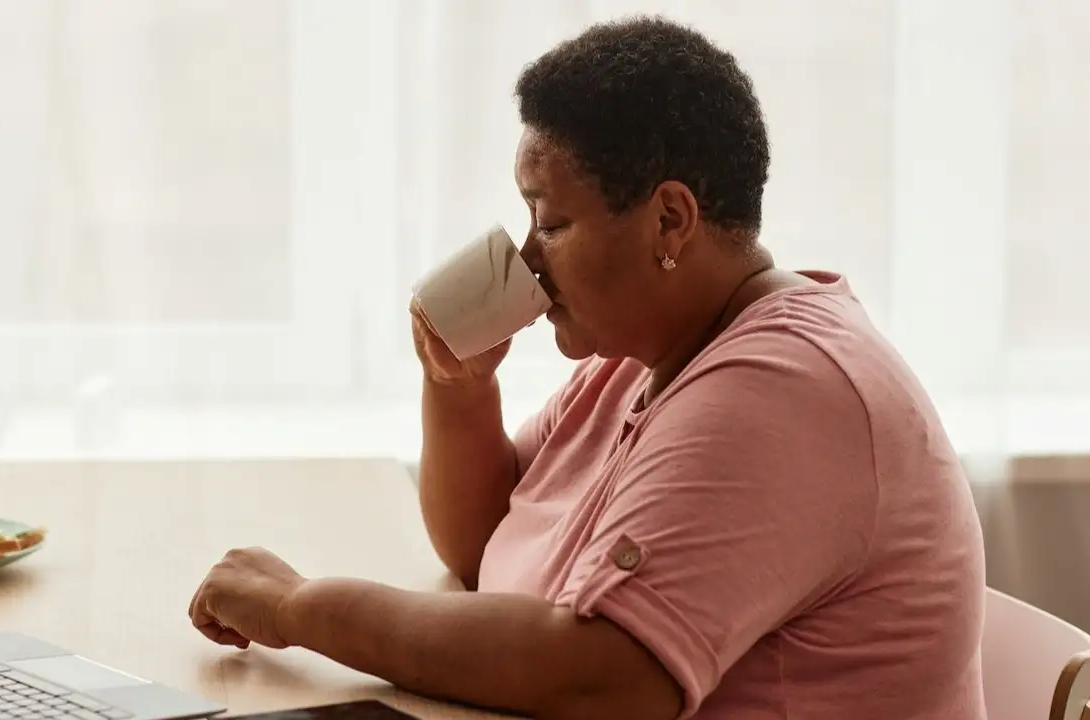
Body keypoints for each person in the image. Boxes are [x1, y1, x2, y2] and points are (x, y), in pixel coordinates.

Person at [188, 15, 987, 719]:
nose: (528, 258)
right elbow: (484, 547)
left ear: (669, 220)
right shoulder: (647, 356)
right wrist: (460, 388)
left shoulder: (781, 390)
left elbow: (607, 677)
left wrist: (300, 607)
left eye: (552, 220)